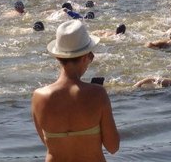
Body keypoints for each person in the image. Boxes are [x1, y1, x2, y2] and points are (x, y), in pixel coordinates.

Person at [31, 20, 120, 161]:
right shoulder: (97, 94)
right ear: (85, 57)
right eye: (91, 55)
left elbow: (48, 144)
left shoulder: (39, 96)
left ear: (58, 57)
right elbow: (113, 147)